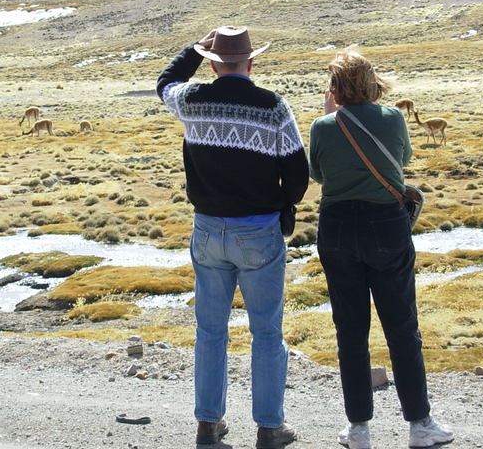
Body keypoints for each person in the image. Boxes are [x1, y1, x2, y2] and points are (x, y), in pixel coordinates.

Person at [157, 25, 309, 449]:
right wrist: (283, 206)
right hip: (258, 230)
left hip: (207, 228)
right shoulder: (274, 106)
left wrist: (191, 50)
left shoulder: (190, 100)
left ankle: (209, 423)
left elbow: (165, 83)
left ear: (212, 62)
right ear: (251, 61)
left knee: (210, 331)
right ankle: (269, 426)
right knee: (266, 332)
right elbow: (298, 173)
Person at [308, 50, 454, 449]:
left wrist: (329, 114)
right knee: (403, 328)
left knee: (350, 331)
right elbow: (403, 159)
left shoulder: (323, 126)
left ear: (335, 88)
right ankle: (420, 425)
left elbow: (317, 174)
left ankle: (358, 429)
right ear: (372, 83)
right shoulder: (392, 118)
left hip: (337, 228)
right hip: (386, 226)